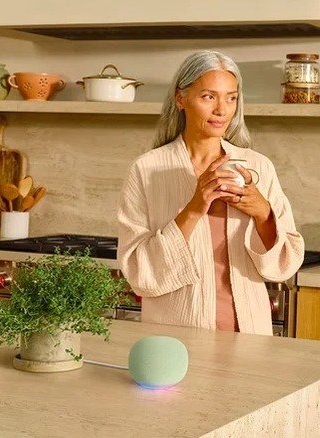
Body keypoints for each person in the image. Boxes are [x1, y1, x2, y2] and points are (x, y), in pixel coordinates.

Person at [117, 50, 305, 335]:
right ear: (180, 99)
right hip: (176, 338)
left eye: (231, 98)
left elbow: (286, 265)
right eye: (208, 97)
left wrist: (263, 213)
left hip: (250, 337)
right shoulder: (146, 169)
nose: (222, 110)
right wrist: (194, 208)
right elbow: (137, 272)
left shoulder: (258, 167)